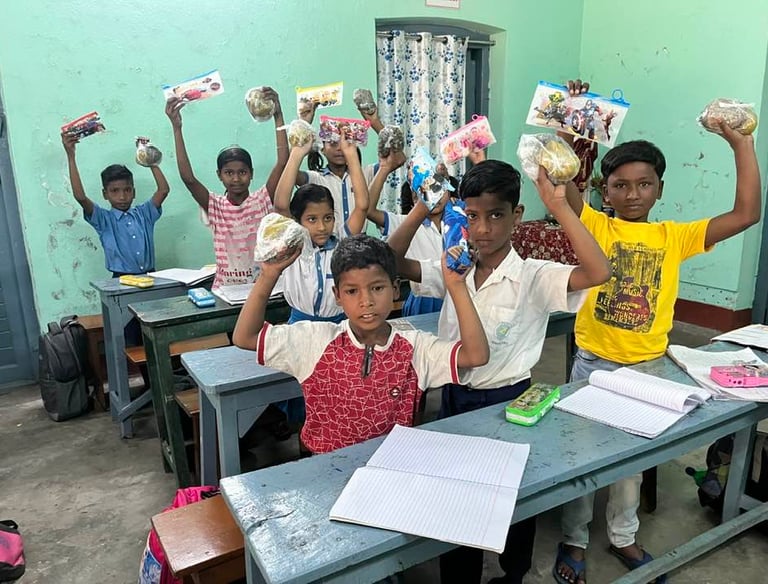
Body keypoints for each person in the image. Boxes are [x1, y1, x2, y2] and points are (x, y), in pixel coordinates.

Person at [553, 81, 763, 584]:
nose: (632, 194)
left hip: (647, 368)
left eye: (644, 184)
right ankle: (574, 538)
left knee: (629, 462)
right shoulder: (595, 225)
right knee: (579, 459)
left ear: (660, 189)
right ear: (604, 191)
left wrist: (741, 143)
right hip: (592, 364)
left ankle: (622, 536)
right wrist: (568, 124)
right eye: (620, 185)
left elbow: (747, 214)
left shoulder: (675, 237)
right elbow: (560, 185)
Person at [389, 159, 611, 584]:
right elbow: (392, 261)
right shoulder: (455, 267)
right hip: (455, 398)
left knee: (512, 500)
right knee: (457, 501)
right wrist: (423, 207)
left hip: (510, 402)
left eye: (495, 215)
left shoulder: (533, 275)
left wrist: (560, 207)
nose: (483, 228)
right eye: (472, 216)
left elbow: (599, 271)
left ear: (517, 216)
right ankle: (460, 576)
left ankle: (513, 574)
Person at [232, 234, 490, 454]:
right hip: (322, 466)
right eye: (352, 291)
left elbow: (476, 355)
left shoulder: (415, 349)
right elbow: (245, 337)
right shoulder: (316, 340)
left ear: (395, 289)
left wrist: (456, 285)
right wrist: (269, 274)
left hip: (390, 466)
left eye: (377, 288)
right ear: (338, 296)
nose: (366, 301)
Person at [165, 87, 287, 289]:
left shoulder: (262, 200)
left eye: (242, 172)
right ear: (219, 175)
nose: (236, 178)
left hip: (261, 290)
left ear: (251, 174)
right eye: (229, 172)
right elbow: (188, 179)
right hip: (225, 291)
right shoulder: (216, 206)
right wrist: (177, 128)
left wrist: (278, 115)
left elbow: (282, 162)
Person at [273, 130, 370, 324]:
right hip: (300, 327)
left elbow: (362, 206)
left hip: (339, 326)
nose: (322, 227)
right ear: (297, 221)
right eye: (311, 219)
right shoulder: (295, 247)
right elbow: (281, 205)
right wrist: (297, 153)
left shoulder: (342, 244)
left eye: (328, 218)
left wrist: (351, 155)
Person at [62, 132, 169, 278]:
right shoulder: (103, 219)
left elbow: (163, 190)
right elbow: (80, 197)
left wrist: (150, 161)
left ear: (134, 192)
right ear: (105, 194)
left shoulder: (144, 214)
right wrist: (71, 156)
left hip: (150, 278)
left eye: (127, 190)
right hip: (120, 281)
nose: (122, 196)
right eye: (114, 191)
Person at [296, 101, 380, 236]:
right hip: (326, 241)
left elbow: (395, 158)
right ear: (322, 149)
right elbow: (290, 174)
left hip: (359, 242)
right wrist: (303, 124)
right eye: (333, 143)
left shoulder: (366, 173)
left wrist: (374, 121)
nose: (340, 148)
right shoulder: (315, 179)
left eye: (346, 141)